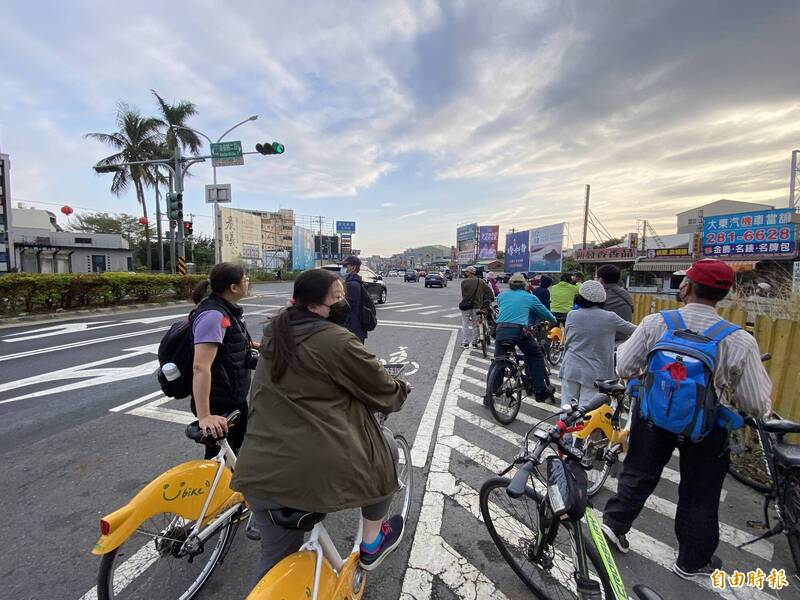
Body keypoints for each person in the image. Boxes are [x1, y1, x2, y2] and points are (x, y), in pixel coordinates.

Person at [231, 269, 411, 580]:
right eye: (338, 298)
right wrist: (402, 388)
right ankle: (372, 542)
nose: (345, 303)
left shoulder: (278, 330)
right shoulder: (337, 340)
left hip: (257, 468)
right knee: (388, 449)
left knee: (274, 568)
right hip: (310, 471)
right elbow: (386, 394)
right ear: (315, 305)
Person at [601, 259, 772, 579]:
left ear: (688, 287)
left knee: (638, 473)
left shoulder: (656, 323)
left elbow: (623, 367)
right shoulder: (738, 340)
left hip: (652, 416)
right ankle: (692, 560)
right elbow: (755, 401)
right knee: (700, 492)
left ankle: (613, 526)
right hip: (707, 427)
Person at [190, 262, 257, 459]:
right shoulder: (213, 315)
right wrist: (205, 416)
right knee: (219, 460)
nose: (248, 283)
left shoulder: (228, 310)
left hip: (233, 397)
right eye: (245, 280)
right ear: (233, 287)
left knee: (236, 456)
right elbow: (200, 367)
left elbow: (233, 345)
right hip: (219, 404)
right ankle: (213, 489)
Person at [559, 280, 636, 407]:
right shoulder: (610, 317)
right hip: (595, 372)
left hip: (571, 367)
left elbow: (569, 339)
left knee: (566, 408)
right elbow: (635, 330)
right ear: (602, 299)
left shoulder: (572, 315)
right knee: (586, 413)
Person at [491, 273, 557, 401]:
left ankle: (491, 393)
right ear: (525, 285)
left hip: (500, 330)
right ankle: (540, 390)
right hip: (519, 331)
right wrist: (553, 320)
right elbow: (545, 314)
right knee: (535, 356)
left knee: (498, 360)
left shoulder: (502, 296)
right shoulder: (529, 297)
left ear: (509, 285)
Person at [595, 264, 634, 343]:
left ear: (601, 280)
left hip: (602, 342)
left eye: (596, 277)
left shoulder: (598, 296)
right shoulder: (627, 296)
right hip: (623, 342)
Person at [460, 266, 495, 349]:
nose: (465, 273)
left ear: (469, 273)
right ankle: (475, 343)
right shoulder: (481, 281)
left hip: (466, 306)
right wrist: (492, 299)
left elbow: (463, 294)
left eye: (466, 272)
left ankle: (465, 343)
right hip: (477, 306)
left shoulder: (464, 282)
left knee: (465, 324)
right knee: (475, 325)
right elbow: (489, 291)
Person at [341, 255, 370, 343]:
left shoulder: (352, 285)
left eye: (345, 266)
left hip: (353, 329)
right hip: (356, 329)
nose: (343, 268)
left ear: (353, 268)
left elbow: (348, 307)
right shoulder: (355, 282)